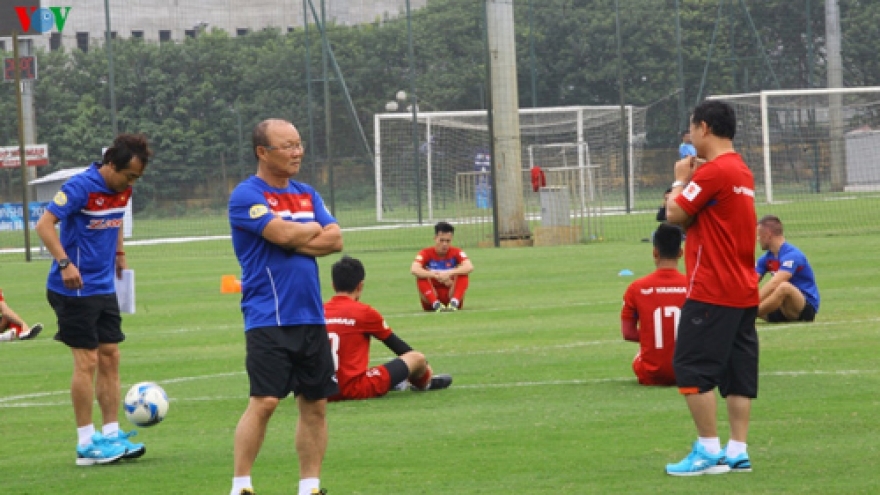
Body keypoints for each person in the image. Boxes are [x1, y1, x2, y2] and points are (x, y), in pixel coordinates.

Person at [227, 118, 342, 495]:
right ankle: (241, 485)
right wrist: (304, 232)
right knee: (265, 401)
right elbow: (281, 233)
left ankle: (310, 487)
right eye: (287, 146)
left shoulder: (307, 193)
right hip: (267, 316)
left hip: (310, 314)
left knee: (316, 404)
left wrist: (293, 237)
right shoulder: (246, 195)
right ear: (262, 152)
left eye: (299, 143)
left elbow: (336, 240)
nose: (297, 152)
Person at [34, 134, 152, 466]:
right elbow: (44, 226)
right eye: (128, 176)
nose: (130, 184)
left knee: (111, 356)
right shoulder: (79, 187)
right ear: (110, 165)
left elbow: (116, 217)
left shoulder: (121, 188)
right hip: (73, 287)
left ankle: (111, 435)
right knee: (87, 362)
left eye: (136, 179)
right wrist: (64, 263)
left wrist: (119, 252)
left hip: (103, 286)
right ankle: (86, 443)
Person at [664, 100, 760, 476]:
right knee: (738, 374)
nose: (690, 136)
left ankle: (707, 450)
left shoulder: (713, 172)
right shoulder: (742, 171)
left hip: (711, 289)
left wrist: (679, 179)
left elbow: (673, 214)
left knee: (690, 367)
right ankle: (737, 450)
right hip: (743, 289)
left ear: (704, 128)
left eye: (691, 129)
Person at [324, 255, 453, 401]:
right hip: (355, 389)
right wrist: (424, 368)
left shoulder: (318, 312)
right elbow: (398, 346)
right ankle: (424, 383)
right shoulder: (364, 312)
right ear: (360, 286)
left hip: (321, 391)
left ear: (333, 285)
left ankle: (397, 382)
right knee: (417, 358)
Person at [620, 223, 687, 386]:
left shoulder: (636, 288)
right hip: (688, 372)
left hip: (651, 374)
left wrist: (654, 338)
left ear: (655, 252)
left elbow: (628, 333)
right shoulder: (693, 286)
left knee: (641, 353)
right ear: (680, 253)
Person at [755, 215, 819, 323]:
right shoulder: (766, 258)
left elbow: (775, 283)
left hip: (802, 308)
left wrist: (750, 306)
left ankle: (748, 315)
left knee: (784, 287)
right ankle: (745, 315)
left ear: (768, 235)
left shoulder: (792, 255)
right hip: (780, 309)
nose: (757, 239)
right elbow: (751, 281)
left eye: (759, 235)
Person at [411, 221, 473, 312]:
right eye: (442, 240)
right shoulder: (425, 253)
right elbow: (414, 269)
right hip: (431, 298)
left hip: (450, 294)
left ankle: (454, 302)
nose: (445, 244)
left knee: (463, 272)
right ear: (435, 238)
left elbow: (469, 266)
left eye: (448, 241)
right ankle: (435, 304)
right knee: (421, 274)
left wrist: (448, 273)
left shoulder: (456, 252)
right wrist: (436, 275)